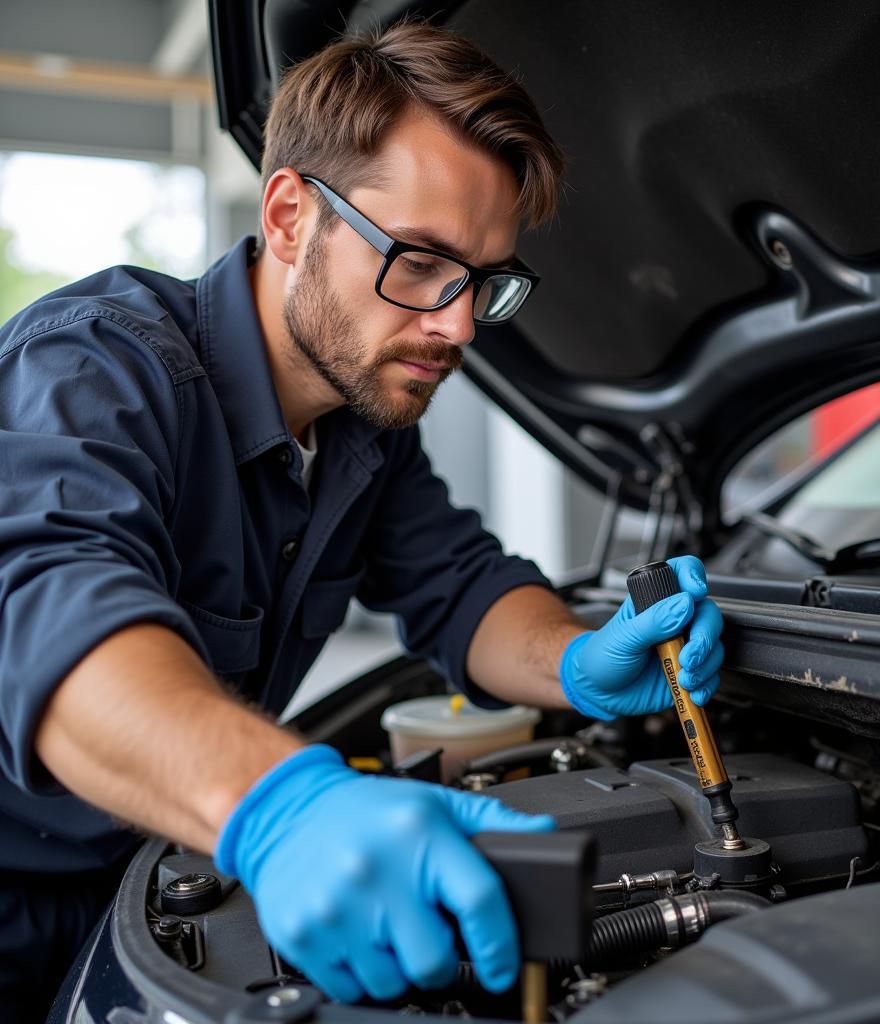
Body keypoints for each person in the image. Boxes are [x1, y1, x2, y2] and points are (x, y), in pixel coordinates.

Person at [0, 19, 724, 1020]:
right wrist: (282, 805)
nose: (458, 323)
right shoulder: (96, 368)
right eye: (420, 261)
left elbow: (460, 586)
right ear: (292, 216)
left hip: (159, 869)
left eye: (483, 281)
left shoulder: (360, 428)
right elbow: (53, 621)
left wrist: (574, 658)